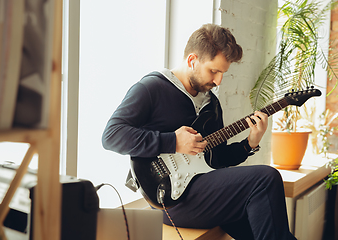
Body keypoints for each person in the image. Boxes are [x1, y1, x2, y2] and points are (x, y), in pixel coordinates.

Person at [102, 23, 296, 240]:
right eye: (213, 71)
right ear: (192, 60)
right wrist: (173, 141)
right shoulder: (152, 88)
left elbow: (218, 159)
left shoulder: (211, 104)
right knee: (266, 177)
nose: (218, 80)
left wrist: (249, 143)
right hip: (172, 198)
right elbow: (111, 136)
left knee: (259, 222)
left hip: (203, 190)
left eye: (223, 73)